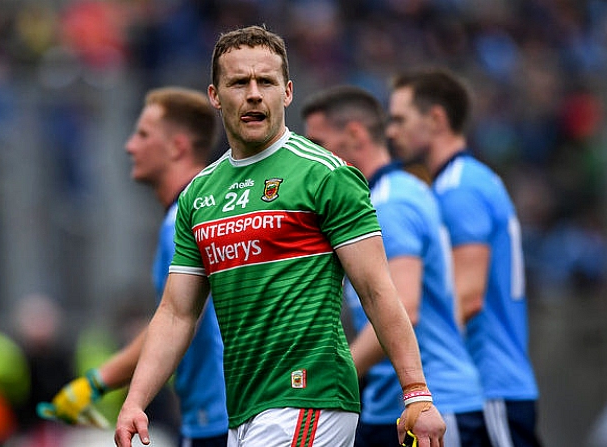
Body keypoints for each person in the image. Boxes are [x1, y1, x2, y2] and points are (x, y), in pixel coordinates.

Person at [114, 25, 446, 447]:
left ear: (286, 92)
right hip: (245, 410)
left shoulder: (324, 174)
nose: (254, 93)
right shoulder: (199, 194)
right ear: (215, 95)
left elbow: (378, 289)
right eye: (239, 82)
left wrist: (416, 393)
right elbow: (177, 313)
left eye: (265, 82)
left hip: (310, 395)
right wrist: (135, 401)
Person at [39, 87, 229, 447]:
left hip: (219, 417)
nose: (130, 146)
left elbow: (176, 320)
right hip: (214, 414)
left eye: (143, 135)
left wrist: (96, 382)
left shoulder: (185, 221)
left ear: (177, 146)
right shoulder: (204, 210)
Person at [301, 85, 490, 447]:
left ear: (355, 135)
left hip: (429, 405)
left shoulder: (387, 203)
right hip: (391, 404)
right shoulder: (394, 193)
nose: (310, 158)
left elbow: (405, 306)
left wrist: (332, 377)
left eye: (318, 144)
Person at [385, 68, 542, 447]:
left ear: (436, 119)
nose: (390, 132)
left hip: (490, 386)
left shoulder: (459, 189)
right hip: (494, 383)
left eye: (400, 119)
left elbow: (467, 298)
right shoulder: (464, 181)